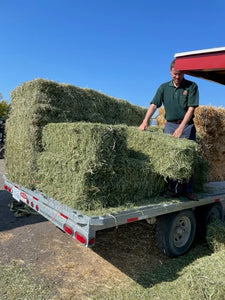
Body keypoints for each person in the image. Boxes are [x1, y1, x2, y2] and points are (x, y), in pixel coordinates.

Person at [139, 59, 199, 200]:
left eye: (179, 74)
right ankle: (174, 190)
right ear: (170, 72)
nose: (177, 77)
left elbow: (191, 109)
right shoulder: (164, 87)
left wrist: (181, 128)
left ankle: (188, 190)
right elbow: (154, 105)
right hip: (170, 125)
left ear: (183, 73)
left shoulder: (191, 86)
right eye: (174, 74)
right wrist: (145, 121)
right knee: (171, 157)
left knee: (188, 158)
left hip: (187, 126)